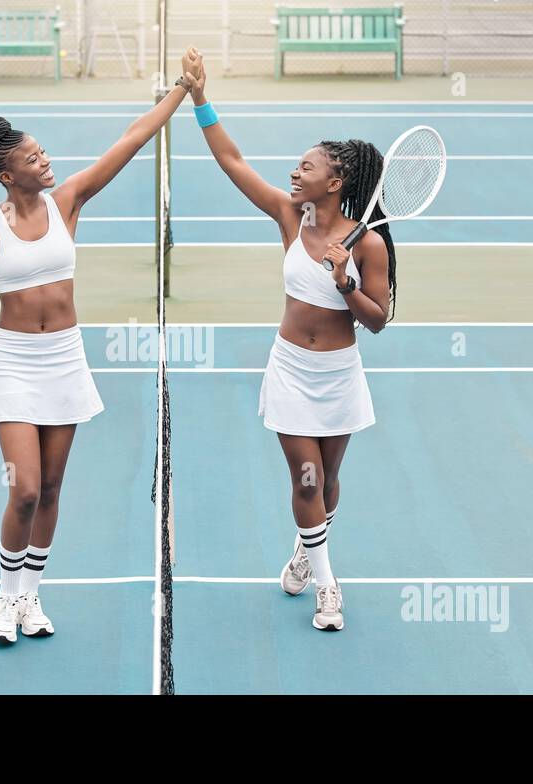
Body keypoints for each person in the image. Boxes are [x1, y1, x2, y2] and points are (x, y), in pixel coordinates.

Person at [0, 72, 200, 643]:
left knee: (51, 488)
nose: (46, 162)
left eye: (43, 153)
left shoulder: (68, 202)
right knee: (23, 487)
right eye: (33, 158)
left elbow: (133, 138)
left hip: (65, 358)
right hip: (15, 362)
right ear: (5, 173)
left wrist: (182, 91)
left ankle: (30, 596)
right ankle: (4, 596)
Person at [184, 47, 395, 631]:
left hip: (339, 374)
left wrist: (345, 282)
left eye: (306, 167)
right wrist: (201, 98)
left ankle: (307, 551)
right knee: (304, 476)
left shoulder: (368, 244)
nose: (294, 173)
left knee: (326, 483)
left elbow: (377, 319)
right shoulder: (288, 216)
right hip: (291, 370)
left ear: (337, 179)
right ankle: (329, 587)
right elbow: (231, 161)